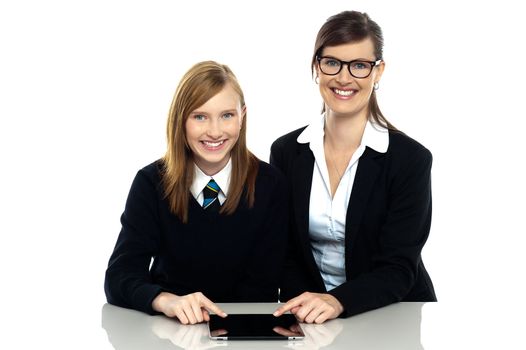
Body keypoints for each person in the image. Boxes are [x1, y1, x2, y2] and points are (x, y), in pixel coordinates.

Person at [271, 11, 436, 324]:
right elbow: (284, 250)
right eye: (332, 62)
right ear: (316, 67)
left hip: (391, 313)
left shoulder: (410, 160)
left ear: (378, 72)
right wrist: (310, 308)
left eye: (359, 66)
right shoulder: (286, 153)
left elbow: (399, 266)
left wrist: (337, 302)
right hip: (311, 316)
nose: (343, 78)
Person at [105, 61, 288, 325]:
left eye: (227, 115)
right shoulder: (151, 183)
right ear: (181, 120)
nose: (214, 131)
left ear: (242, 116)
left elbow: (265, 284)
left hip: (244, 331)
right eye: (199, 116)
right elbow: (120, 276)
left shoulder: (271, 185)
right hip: (171, 330)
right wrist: (166, 300)